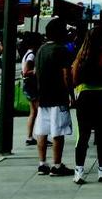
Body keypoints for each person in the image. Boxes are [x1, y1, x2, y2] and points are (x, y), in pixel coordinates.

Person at [71, 27, 102, 184]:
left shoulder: (79, 59)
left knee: (83, 136)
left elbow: (74, 80)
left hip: (84, 97)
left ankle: (79, 172)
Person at [32, 19, 75, 177]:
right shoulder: (61, 49)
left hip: (43, 96)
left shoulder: (41, 50)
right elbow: (66, 74)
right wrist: (71, 94)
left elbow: (36, 72)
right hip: (58, 95)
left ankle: (42, 163)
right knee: (58, 131)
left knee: (42, 130)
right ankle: (57, 165)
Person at [20, 33, 42, 146]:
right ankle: (37, 136)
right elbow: (25, 71)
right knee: (37, 111)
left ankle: (31, 136)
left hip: (28, 85)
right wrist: (36, 71)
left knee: (34, 112)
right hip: (31, 86)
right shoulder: (31, 55)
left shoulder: (27, 54)